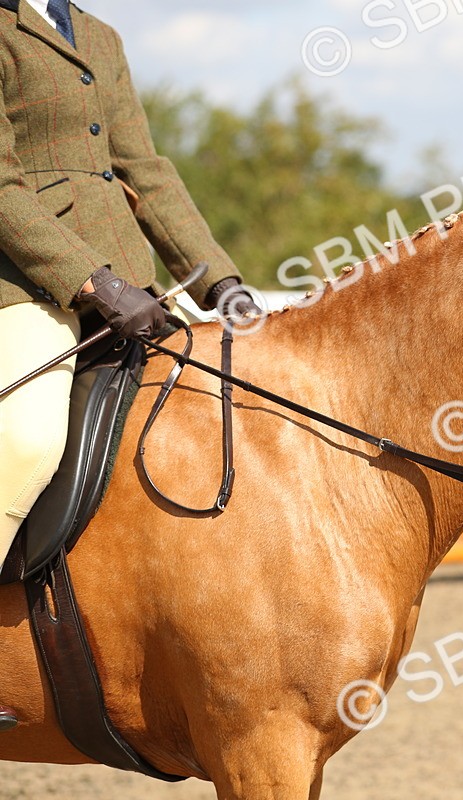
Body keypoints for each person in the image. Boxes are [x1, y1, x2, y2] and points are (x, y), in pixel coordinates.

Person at [0, 0, 258, 731]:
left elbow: (144, 168)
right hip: (27, 287)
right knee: (24, 441)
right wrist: (94, 282)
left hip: (133, 289)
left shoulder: (100, 35)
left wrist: (220, 281)